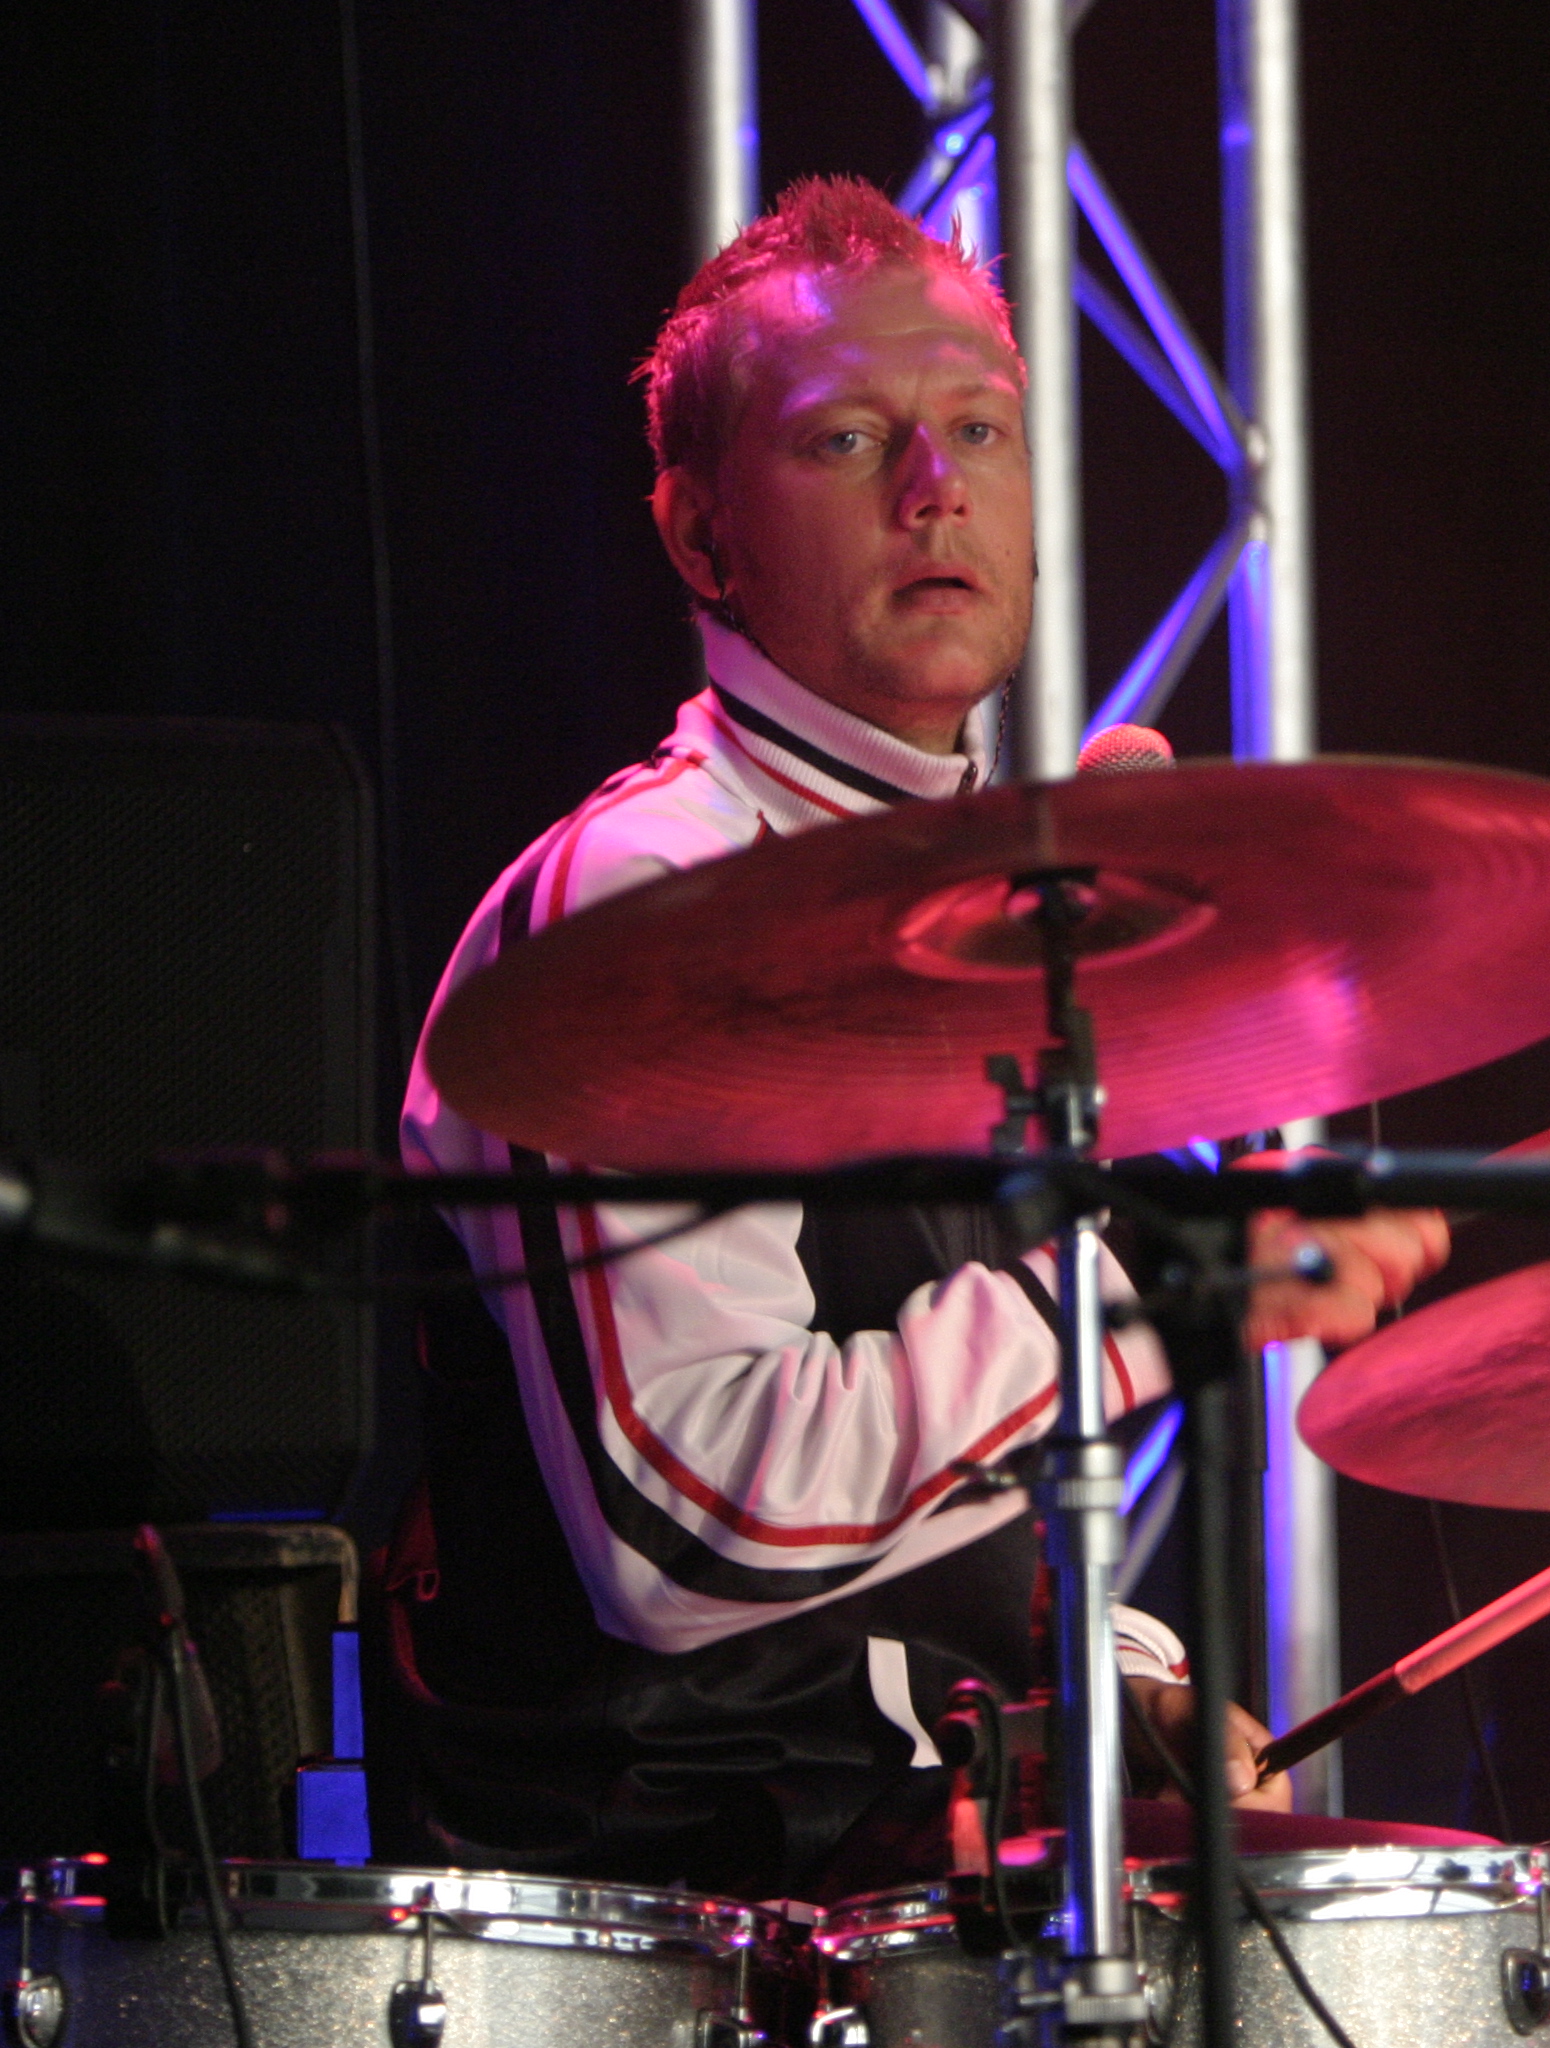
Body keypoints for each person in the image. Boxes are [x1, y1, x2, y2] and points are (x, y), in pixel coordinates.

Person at [382, 175, 1451, 1902]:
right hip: (700, 1906)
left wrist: (1104, 1671)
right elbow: (696, 1529)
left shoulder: (970, 920)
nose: (936, 485)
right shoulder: (645, 908)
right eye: (848, 440)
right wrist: (1161, 1289)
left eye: (979, 428)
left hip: (915, 1848)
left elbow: (904, 1471)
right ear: (700, 538)